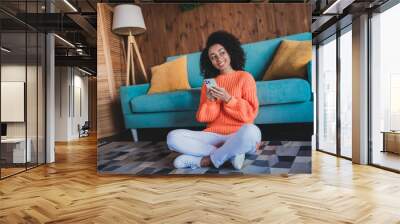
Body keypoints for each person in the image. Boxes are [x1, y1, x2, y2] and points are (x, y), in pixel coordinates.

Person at [166, 30, 262, 170]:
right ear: (210, 61)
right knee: (172, 137)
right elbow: (203, 118)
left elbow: (250, 114)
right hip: (212, 136)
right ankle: (230, 154)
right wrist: (211, 101)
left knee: (252, 132)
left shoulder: (245, 77)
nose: (219, 59)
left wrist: (228, 99)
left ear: (230, 52)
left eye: (222, 53)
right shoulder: (209, 84)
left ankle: (204, 161)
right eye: (213, 57)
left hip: (238, 134)